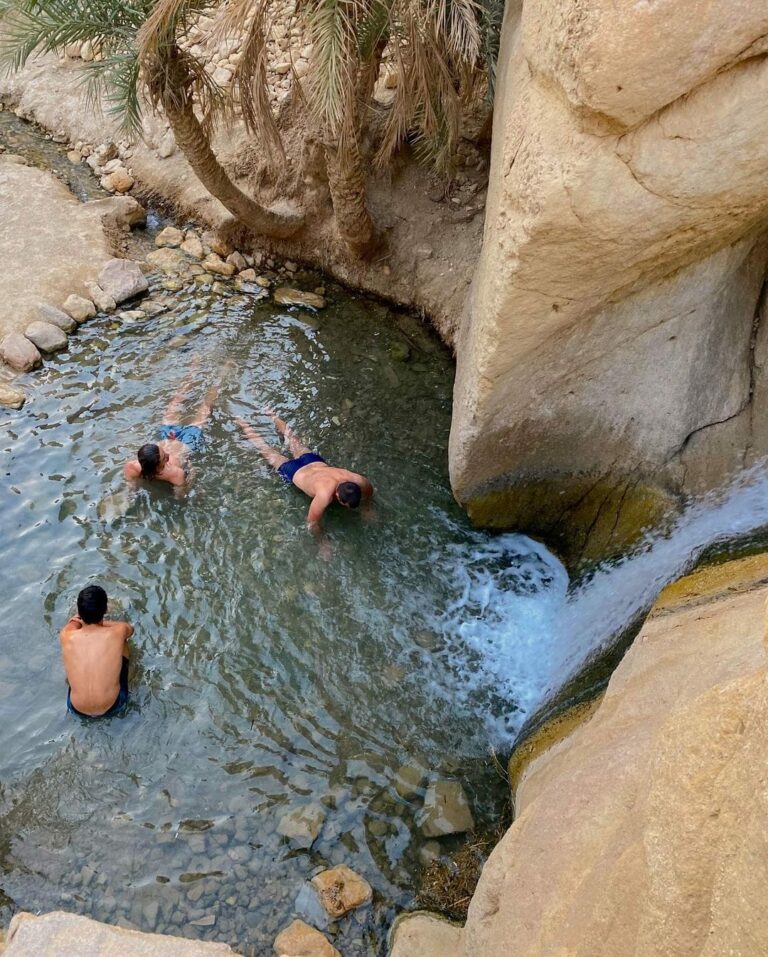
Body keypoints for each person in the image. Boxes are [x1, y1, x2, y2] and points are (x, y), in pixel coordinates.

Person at [235, 410, 374, 530]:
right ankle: (242, 422)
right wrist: (321, 543)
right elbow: (312, 522)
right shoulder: (324, 495)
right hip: (294, 471)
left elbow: (369, 490)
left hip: (312, 461)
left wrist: (367, 508)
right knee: (265, 449)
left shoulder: (357, 479)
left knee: (291, 438)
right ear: (337, 496)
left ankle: (270, 413)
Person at [124, 358, 222, 488]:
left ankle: (194, 369)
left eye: (163, 451)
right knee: (205, 408)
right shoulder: (175, 474)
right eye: (166, 458)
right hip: (188, 441)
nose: (168, 455)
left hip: (167, 435)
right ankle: (220, 377)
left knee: (176, 400)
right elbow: (181, 498)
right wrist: (191, 476)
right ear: (157, 467)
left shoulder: (134, 466)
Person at [59, 584, 134, 719]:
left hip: (76, 709)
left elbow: (73, 622)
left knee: (71, 649)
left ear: (80, 612)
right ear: (105, 610)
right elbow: (129, 629)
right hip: (114, 705)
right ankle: (133, 679)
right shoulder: (118, 631)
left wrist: (83, 620)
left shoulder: (66, 634)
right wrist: (100, 623)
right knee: (123, 643)